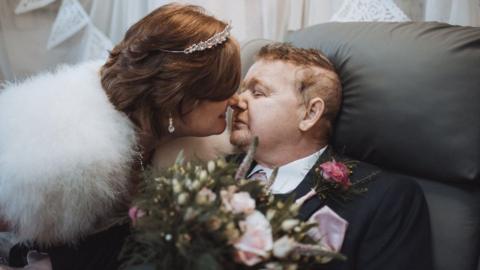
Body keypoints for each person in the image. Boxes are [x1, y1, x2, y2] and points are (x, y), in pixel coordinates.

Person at [0, 3, 240, 270]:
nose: (235, 99)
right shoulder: (67, 157)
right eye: (225, 88)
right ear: (181, 98)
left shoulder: (186, 148)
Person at [229, 43, 433, 270]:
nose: (236, 101)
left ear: (309, 114)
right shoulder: (215, 177)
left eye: (258, 93)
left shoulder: (385, 199)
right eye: (241, 90)